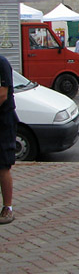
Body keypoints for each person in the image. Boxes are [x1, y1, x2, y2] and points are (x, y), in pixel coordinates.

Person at [0, 55, 17, 224]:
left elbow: (2, 95)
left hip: (3, 121)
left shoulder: (2, 63)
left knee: (2, 165)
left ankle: (8, 207)